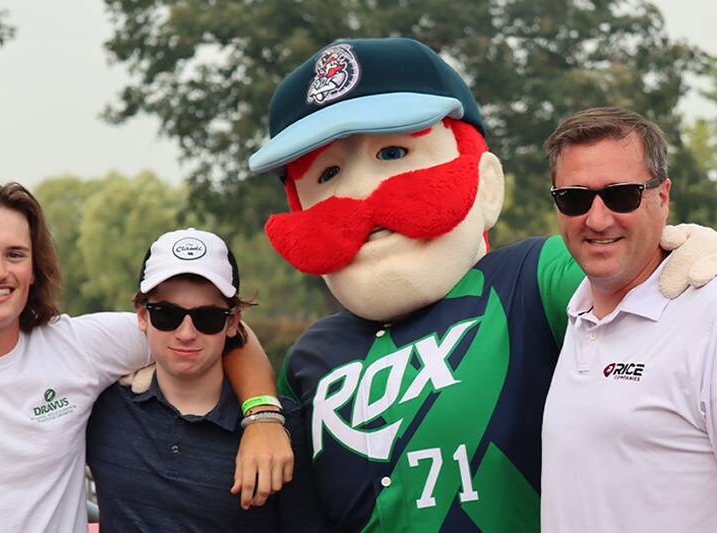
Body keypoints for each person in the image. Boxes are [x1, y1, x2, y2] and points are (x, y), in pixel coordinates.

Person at [242, 37, 717, 531]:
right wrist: (262, 415)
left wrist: (677, 249)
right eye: (330, 173)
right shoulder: (310, 355)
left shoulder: (528, 276)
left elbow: (617, 266)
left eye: (393, 152)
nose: (360, 196)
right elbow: (213, 338)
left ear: (485, 182)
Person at [0, 181, 289, 532]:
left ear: (33, 269)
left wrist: (263, 417)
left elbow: (227, 335)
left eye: (15, 254)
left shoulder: (80, 347)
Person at [541, 107, 717, 533]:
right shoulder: (575, 313)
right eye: (574, 198)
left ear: (662, 196)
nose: (597, 220)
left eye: (622, 195)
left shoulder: (708, 315)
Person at [86, 227, 328, 532]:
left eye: (207, 318)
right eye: (166, 314)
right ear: (142, 317)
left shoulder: (284, 428)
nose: (186, 334)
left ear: (233, 322)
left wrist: (265, 418)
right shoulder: (100, 406)